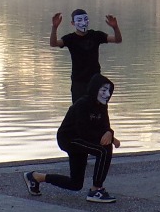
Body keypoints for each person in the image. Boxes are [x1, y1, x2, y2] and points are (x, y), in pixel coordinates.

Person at [24, 73, 119, 204]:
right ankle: (96, 190)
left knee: (75, 184)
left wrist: (110, 133)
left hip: (82, 140)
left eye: (109, 91)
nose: (107, 94)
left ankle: (36, 177)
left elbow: (104, 126)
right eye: (103, 90)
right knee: (103, 150)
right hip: (69, 139)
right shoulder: (82, 104)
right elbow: (83, 131)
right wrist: (106, 138)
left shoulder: (102, 105)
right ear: (95, 89)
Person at [50, 9, 121, 102]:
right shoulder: (70, 38)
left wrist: (115, 27)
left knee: (97, 110)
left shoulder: (96, 35)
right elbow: (53, 43)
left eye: (85, 19)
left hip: (95, 80)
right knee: (79, 111)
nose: (83, 23)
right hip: (78, 81)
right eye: (79, 20)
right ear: (73, 23)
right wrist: (54, 27)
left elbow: (117, 40)